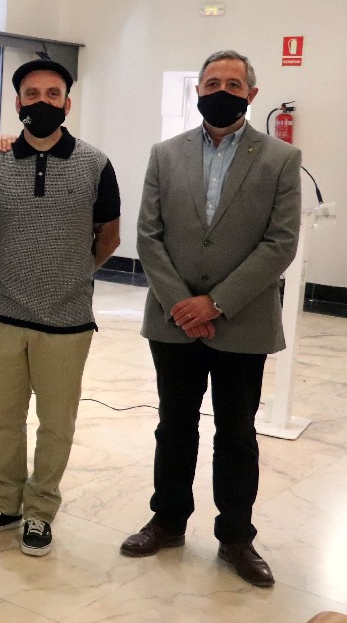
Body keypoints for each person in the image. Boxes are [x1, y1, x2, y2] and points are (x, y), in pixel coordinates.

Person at [119, 50, 300, 588]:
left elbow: (280, 243)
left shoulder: (281, 158)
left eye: (233, 84)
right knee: (174, 426)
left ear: (252, 94)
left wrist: (215, 303)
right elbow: (148, 234)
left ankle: (237, 537)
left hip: (242, 321)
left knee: (237, 433)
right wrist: (182, 302)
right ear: (197, 90)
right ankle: (167, 520)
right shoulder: (165, 154)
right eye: (212, 82)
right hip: (172, 320)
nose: (222, 91)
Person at [0, 58, 120, 556]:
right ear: (18, 103)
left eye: (53, 94)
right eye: (32, 94)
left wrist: (72, 273)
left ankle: (40, 511)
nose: (43, 102)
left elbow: (109, 238)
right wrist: (18, 266)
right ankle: (5, 503)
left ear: (67, 104)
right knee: (3, 419)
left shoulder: (95, 164)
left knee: (56, 423)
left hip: (67, 320)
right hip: (1, 313)